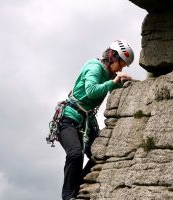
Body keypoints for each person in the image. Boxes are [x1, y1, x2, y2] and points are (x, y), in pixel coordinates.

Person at [57, 39, 134, 200]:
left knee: (98, 155)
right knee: (75, 154)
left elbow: (112, 86)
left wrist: (126, 83)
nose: (120, 68)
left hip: (86, 122)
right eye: (121, 64)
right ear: (112, 57)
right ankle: (68, 196)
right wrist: (113, 83)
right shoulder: (95, 67)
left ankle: (79, 188)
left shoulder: (108, 73)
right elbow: (91, 91)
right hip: (69, 119)